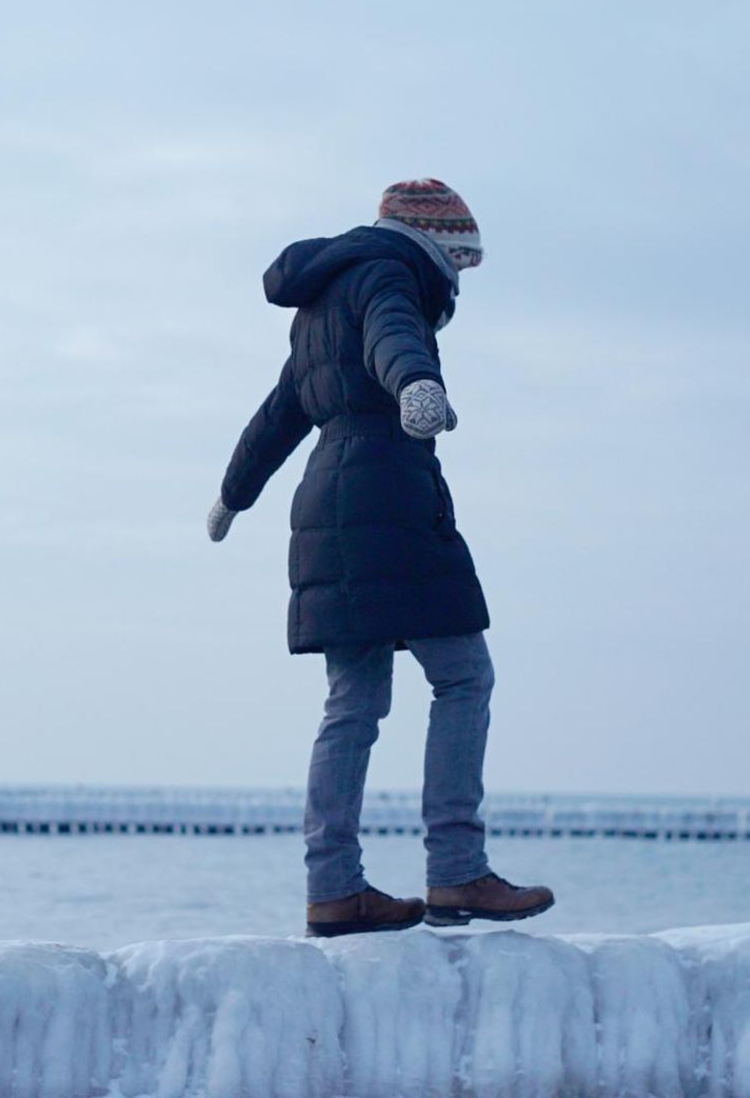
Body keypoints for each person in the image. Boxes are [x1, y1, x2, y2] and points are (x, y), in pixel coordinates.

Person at [206, 178, 554, 938]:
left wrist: (233, 495)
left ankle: (334, 890)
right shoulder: (389, 272)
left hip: (323, 506)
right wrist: (418, 384)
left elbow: (278, 413)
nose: (456, 282)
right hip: (389, 492)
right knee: (463, 676)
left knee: (353, 703)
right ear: (434, 244)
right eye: (458, 263)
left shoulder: (321, 301)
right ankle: (458, 869)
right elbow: (395, 335)